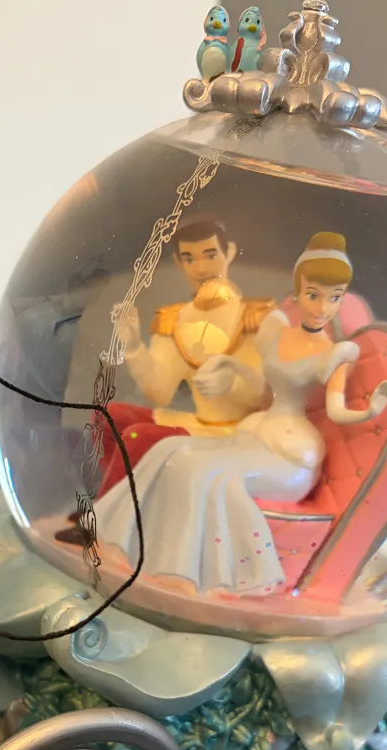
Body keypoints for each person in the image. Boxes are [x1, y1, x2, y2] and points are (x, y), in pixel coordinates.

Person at [93, 232, 387, 596]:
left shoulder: (334, 353)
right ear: (299, 292)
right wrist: (229, 365)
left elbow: (336, 410)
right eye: (313, 295)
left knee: (199, 469)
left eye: (334, 298)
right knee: (167, 450)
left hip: (289, 451)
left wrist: (371, 410)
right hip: (257, 431)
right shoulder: (276, 331)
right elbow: (261, 386)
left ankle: (184, 572)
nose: (321, 307)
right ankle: (122, 541)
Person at [57, 214, 273, 545]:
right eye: (190, 258)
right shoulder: (176, 319)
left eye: (210, 255)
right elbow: (159, 391)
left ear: (229, 252)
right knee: (110, 417)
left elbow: (268, 394)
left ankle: (104, 523)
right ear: (179, 262)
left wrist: (232, 384)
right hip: (200, 423)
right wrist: (134, 347)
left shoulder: (256, 317)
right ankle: (114, 504)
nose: (201, 268)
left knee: (137, 436)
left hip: (239, 431)